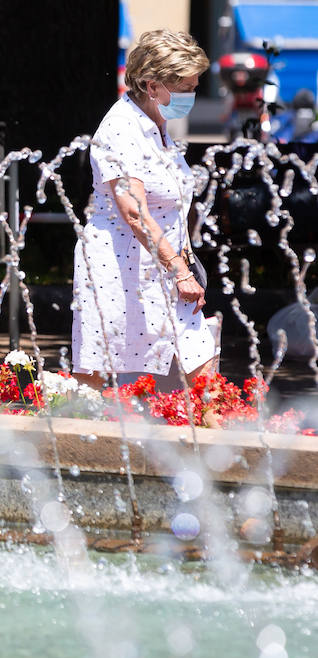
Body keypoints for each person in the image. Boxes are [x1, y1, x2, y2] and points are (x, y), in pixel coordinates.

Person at [72, 29, 218, 389]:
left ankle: (225, 439)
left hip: (166, 265)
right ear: (152, 86)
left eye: (194, 87)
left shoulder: (157, 126)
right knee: (101, 375)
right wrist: (180, 271)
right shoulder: (120, 129)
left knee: (202, 356)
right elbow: (134, 211)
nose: (191, 96)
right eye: (184, 88)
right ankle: (79, 439)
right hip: (121, 269)